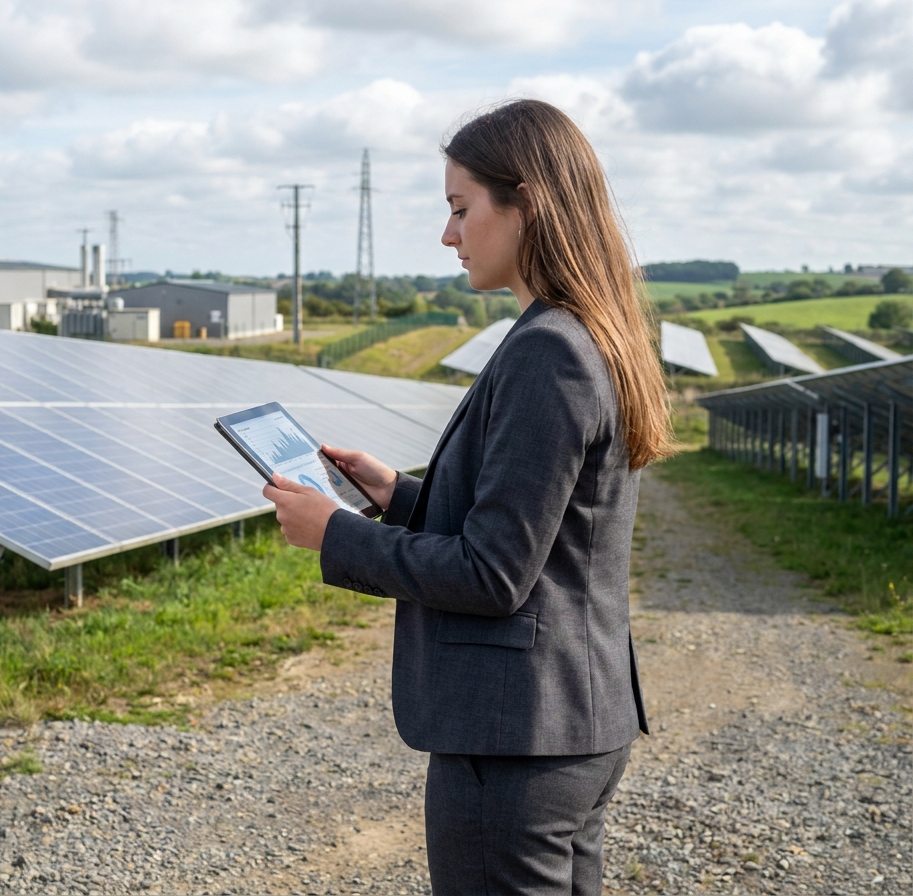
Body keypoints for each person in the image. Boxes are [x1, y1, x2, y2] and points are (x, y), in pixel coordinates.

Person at [263, 99, 673, 894]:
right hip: (567, 727)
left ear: (530, 203)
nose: (448, 234)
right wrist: (398, 496)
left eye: (460, 208)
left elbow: (493, 576)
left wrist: (335, 535)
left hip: (515, 741)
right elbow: (544, 535)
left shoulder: (548, 352)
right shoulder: (583, 334)